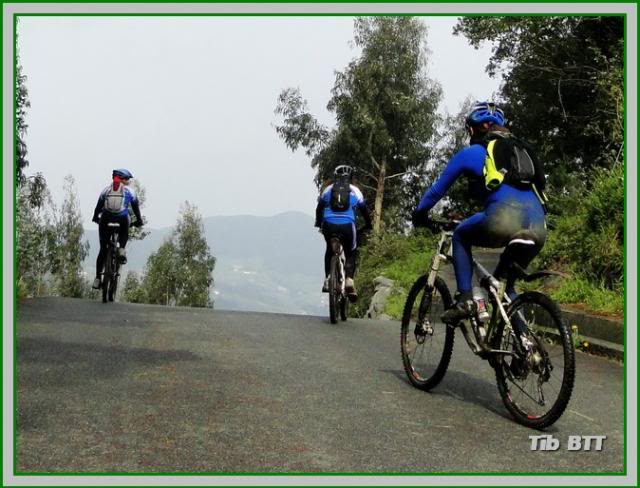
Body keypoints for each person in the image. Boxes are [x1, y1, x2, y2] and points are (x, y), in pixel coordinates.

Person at [412, 101, 547, 324]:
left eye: (469, 129)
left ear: (477, 128)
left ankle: (465, 298)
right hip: (538, 226)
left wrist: (420, 214)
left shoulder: (474, 152)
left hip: (503, 219)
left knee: (461, 235)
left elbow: (437, 190)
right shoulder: (523, 151)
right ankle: (527, 348)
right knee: (506, 288)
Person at [315, 165, 372, 300]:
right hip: (348, 226)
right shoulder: (355, 191)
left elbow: (319, 209)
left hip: (329, 224)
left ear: (335, 177)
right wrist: (368, 225)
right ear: (351, 178)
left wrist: (318, 222)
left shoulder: (328, 190)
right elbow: (364, 210)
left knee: (330, 249)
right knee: (351, 251)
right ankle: (349, 281)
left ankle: (328, 278)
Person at [91, 168, 143, 289]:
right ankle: (121, 249)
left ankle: (98, 278)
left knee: (103, 250)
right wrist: (139, 221)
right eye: (127, 180)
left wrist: (95, 218)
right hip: (122, 220)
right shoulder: (130, 191)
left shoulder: (106, 190)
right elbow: (136, 209)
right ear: (123, 180)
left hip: (105, 220)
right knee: (126, 223)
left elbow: (98, 208)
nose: (128, 182)